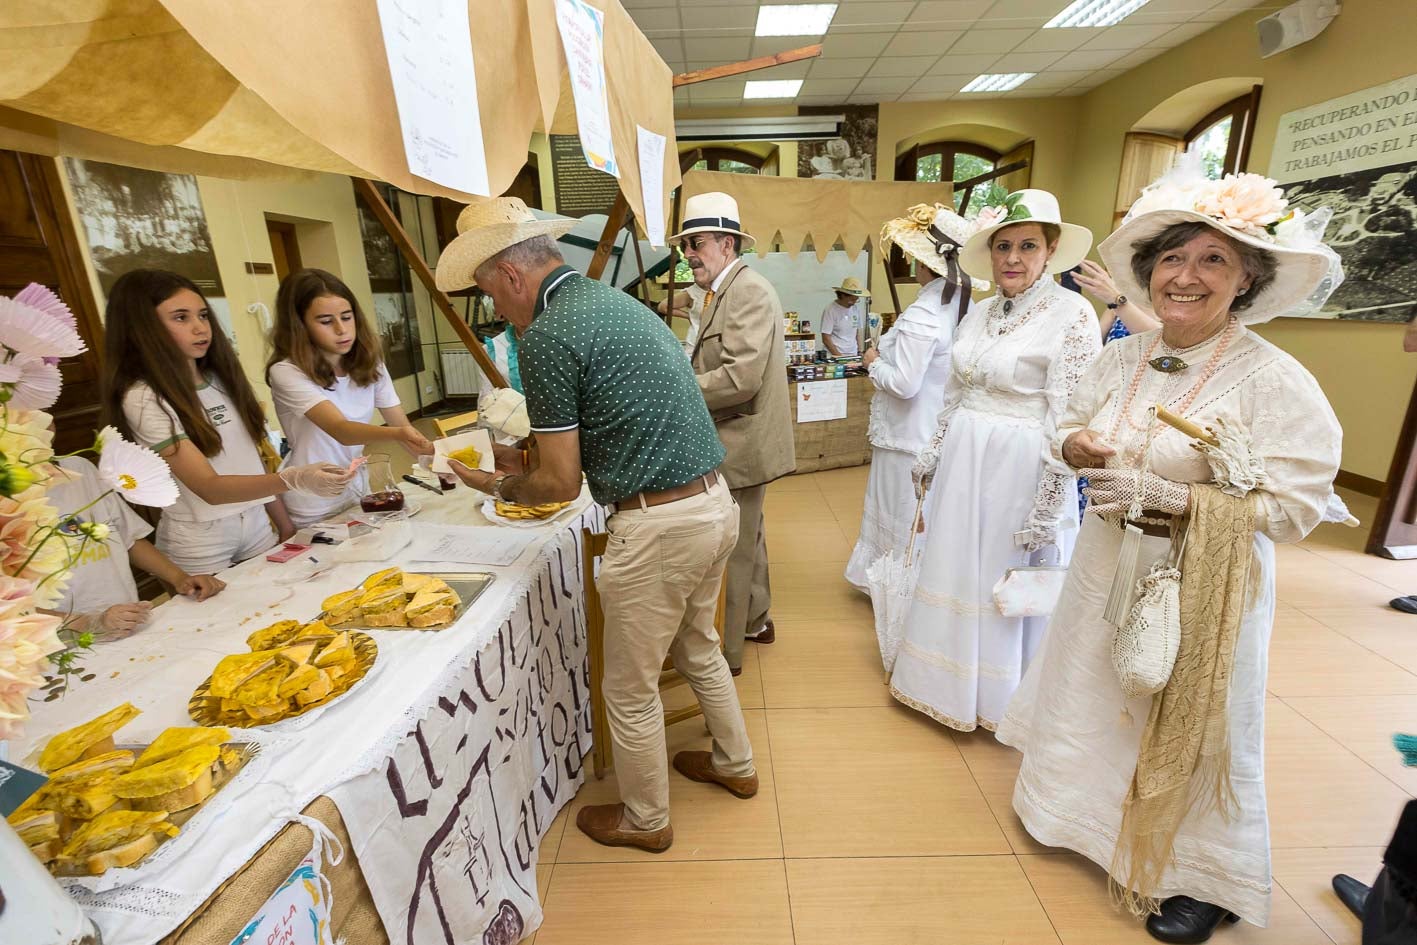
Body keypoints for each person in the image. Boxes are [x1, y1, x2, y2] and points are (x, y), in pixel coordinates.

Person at [996, 167, 1345, 942]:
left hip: (1201, 583)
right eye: (1171, 259)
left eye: (1212, 260)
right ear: (1148, 272)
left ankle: (1199, 875)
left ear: (1246, 277)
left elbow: (1295, 507)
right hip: (1103, 564)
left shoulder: (1274, 380)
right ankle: (1076, 816)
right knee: (1096, 686)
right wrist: (1073, 443)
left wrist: (1179, 501)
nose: (1184, 277)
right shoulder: (1123, 356)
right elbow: (1071, 423)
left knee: (1191, 717)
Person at [433, 196, 756, 854]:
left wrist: (496, 482)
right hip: (714, 502)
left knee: (629, 687)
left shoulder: (549, 333)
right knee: (696, 643)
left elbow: (557, 482)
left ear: (513, 277)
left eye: (491, 294)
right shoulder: (613, 302)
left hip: (659, 523)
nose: (496, 309)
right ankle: (735, 762)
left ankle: (645, 817)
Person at [891, 189, 1099, 733]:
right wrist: (931, 457)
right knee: (956, 561)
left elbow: (1069, 414)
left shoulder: (1073, 314)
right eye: (1003, 246)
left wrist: (1049, 505)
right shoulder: (980, 312)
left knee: (1002, 575)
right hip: (964, 458)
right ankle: (941, 681)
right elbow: (954, 392)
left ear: (1050, 250)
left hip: (1021, 466)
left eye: (1027, 246)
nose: (1012, 258)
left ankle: (1001, 697)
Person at [102, 269, 354, 575]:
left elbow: (251, 460)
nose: (199, 328)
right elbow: (210, 488)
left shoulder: (221, 378)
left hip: (257, 522)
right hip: (202, 538)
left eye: (203, 315)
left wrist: (284, 523)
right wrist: (294, 479)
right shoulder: (144, 397)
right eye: (181, 318)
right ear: (142, 327)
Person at [678, 192, 795, 674]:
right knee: (751, 532)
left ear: (727, 244)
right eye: (685, 244)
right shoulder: (721, 291)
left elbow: (738, 378)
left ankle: (727, 652)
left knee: (733, 548)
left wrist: (675, 389)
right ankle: (756, 619)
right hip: (736, 435)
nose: (688, 254)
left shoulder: (747, 291)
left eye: (697, 243)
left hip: (740, 439)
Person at [844, 204, 974, 593]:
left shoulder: (924, 313)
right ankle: (912, 580)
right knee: (919, 512)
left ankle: (893, 585)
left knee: (898, 510)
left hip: (906, 434)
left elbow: (904, 383)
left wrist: (873, 362)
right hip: (932, 428)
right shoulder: (962, 306)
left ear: (923, 263)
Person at [266, 268, 433, 527]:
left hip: (357, 487)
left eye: (346, 317)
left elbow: (404, 428)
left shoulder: (370, 361)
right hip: (313, 497)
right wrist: (399, 433)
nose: (341, 329)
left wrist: (441, 461)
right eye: (325, 321)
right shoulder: (286, 371)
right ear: (300, 325)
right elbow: (341, 430)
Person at [46, 454, 225, 639]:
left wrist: (180, 578)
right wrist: (90, 624)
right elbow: (17, 611)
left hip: (128, 622)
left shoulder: (78, 467)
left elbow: (127, 538)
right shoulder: (15, 500)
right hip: (64, 645)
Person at [1073, 258, 1162, 341]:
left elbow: (1159, 339)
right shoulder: (1114, 308)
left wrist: (1117, 299)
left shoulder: (1166, 308)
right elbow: (1093, 341)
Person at [819, 276, 869, 357]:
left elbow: (858, 332)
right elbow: (826, 338)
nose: (853, 302)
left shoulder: (856, 309)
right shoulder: (830, 309)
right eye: (851, 300)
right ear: (842, 295)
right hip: (834, 355)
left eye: (856, 300)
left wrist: (860, 351)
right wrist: (839, 356)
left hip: (853, 354)